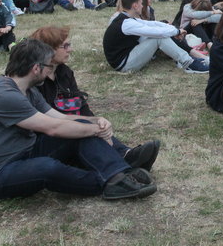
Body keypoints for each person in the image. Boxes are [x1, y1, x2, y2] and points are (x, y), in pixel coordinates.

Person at [0, 39, 157, 200]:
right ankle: (107, 181)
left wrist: (96, 121)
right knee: (47, 167)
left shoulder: (28, 90)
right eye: (49, 66)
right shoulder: (4, 95)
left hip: (22, 153)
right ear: (36, 68)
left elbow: (62, 118)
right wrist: (96, 130)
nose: (50, 71)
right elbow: (53, 128)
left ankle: (118, 174)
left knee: (78, 125)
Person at [30, 25, 161, 168]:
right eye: (65, 46)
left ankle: (126, 155)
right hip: (51, 138)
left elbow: (80, 105)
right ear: (49, 49)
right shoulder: (35, 81)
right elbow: (45, 123)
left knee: (93, 125)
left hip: (70, 128)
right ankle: (123, 162)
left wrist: (97, 122)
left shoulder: (65, 73)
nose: (70, 49)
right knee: (85, 130)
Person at [102, 0, 208, 74]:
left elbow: (153, 24)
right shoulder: (126, 23)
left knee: (159, 34)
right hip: (124, 64)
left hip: (126, 57)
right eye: (141, 3)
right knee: (157, 37)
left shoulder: (126, 19)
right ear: (135, 5)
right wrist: (176, 31)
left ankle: (186, 59)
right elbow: (154, 31)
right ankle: (188, 63)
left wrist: (174, 30)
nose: (143, 6)